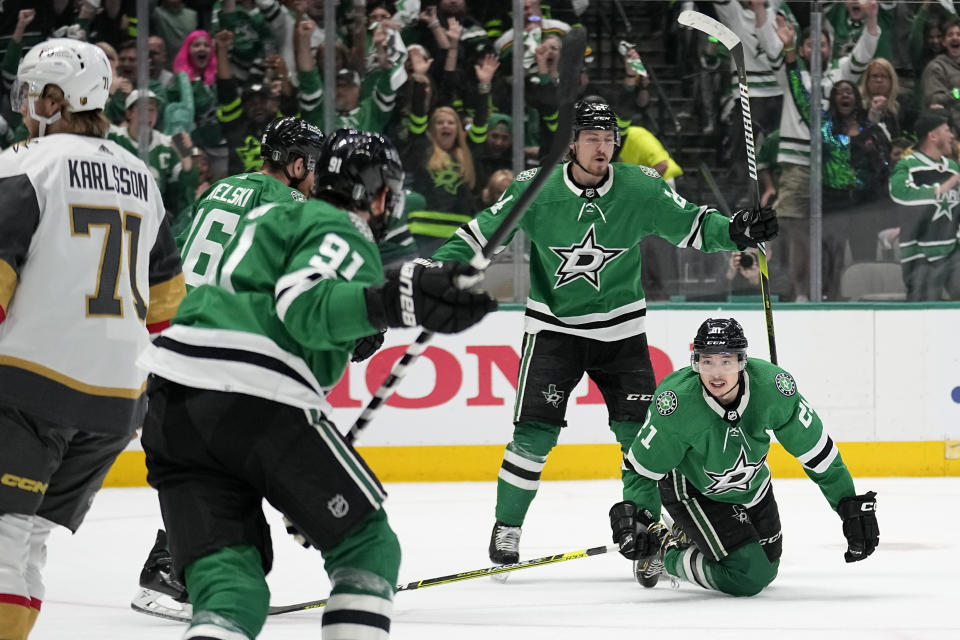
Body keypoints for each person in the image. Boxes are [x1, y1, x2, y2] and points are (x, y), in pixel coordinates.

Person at [137, 128, 496, 640]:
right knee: (368, 547)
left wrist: (298, 492)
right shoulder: (340, 225)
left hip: (172, 402)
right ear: (377, 192)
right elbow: (303, 307)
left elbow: (271, 306)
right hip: (253, 397)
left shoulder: (265, 212)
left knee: (230, 588)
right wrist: (395, 303)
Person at [430, 99, 779, 566]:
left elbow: (693, 226)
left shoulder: (640, 187)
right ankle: (508, 525)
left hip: (621, 332)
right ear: (571, 143)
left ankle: (648, 535)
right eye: (592, 138)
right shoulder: (535, 189)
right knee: (533, 435)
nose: (603, 147)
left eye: (609, 138)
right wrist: (435, 270)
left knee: (643, 439)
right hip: (553, 329)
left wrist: (736, 230)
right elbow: (479, 237)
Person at [0, 38, 185, 639]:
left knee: (4, 541)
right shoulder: (143, 177)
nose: (26, 102)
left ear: (55, 98)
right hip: (114, 405)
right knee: (25, 545)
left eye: (33, 91)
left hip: (29, 388)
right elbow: (165, 306)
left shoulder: (26, 163)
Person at [608, 318, 879, 595]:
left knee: (768, 566)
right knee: (748, 575)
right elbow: (640, 470)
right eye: (707, 361)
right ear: (695, 362)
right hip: (695, 489)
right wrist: (643, 521)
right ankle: (666, 553)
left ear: (742, 362)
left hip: (752, 486)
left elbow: (818, 454)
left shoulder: (774, 388)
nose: (716, 373)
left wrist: (847, 505)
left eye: (726, 361)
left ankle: (690, 535)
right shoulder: (676, 404)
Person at [889, 110, 960, 301]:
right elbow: (901, 193)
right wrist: (942, 188)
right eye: (947, 131)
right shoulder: (907, 165)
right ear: (933, 136)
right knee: (923, 312)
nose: (952, 136)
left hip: (952, 250)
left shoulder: (952, 167)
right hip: (920, 255)